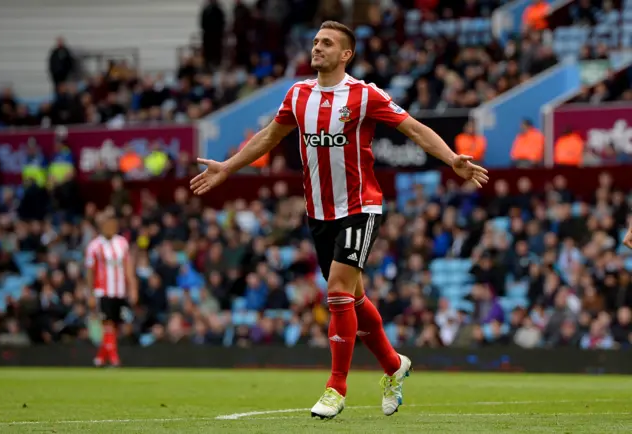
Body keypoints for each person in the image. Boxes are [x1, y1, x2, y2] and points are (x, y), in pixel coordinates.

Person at [190, 21, 489, 419]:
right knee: (354, 297)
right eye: (315, 41)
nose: (317, 47)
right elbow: (268, 137)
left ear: (346, 54)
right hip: (319, 212)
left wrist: (452, 158)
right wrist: (227, 167)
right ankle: (394, 366)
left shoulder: (364, 95)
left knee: (336, 290)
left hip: (360, 206)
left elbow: (414, 129)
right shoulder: (298, 95)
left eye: (327, 43)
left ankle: (336, 387)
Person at [85, 212, 138, 367]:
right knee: (107, 323)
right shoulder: (94, 246)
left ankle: (100, 357)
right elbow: (90, 272)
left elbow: (128, 267)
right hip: (103, 290)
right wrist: (91, 294)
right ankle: (114, 358)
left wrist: (132, 288)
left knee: (116, 325)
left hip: (120, 291)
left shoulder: (122, 243)